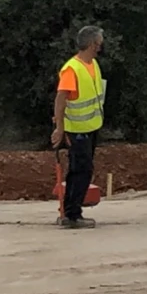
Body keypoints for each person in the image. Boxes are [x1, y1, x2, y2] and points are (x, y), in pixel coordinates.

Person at [50, 25, 107, 230]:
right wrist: (60, 127)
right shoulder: (72, 68)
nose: (101, 46)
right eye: (99, 43)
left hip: (91, 126)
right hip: (77, 129)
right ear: (92, 44)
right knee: (82, 170)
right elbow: (61, 98)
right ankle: (73, 214)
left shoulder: (93, 65)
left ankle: (69, 211)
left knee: (80, 170)